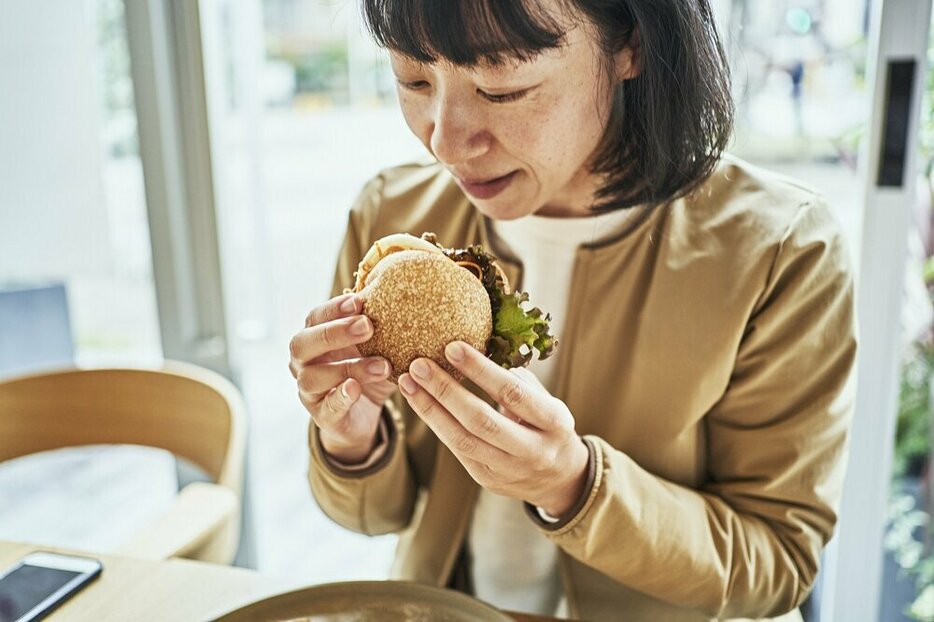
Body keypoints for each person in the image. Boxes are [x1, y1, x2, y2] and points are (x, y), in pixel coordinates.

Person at [288, 1, 857, 620]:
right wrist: (351, 439)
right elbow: (377, 515)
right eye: (414, 80)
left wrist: (574, 485)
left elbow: (777, 564)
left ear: (631, 45)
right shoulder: (391, 221)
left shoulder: (781, 251)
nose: (445, 142)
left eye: (503, 89)